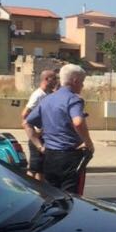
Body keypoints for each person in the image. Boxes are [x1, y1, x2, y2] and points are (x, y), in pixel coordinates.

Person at [24, 64, 94, 193]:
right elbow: (78, 122)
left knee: (53, 196)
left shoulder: (47, 99)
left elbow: (27, 123)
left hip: (49, 155)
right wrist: (88, 142)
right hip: (69, 156)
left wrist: (39, 146)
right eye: (82, 82)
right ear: (75, 81)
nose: (82, 86)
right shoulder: (74, 99)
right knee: (71, 199)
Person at [21, 70, 57, 180]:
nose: (56, 81)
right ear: (46, 79)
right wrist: (35, 130)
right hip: (38, 139)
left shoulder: (49, 94)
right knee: (34, 169)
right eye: (54, 78)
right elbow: (24, 114)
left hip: (46, 137)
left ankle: (41, 194)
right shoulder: (38, 95)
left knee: (41, 170)